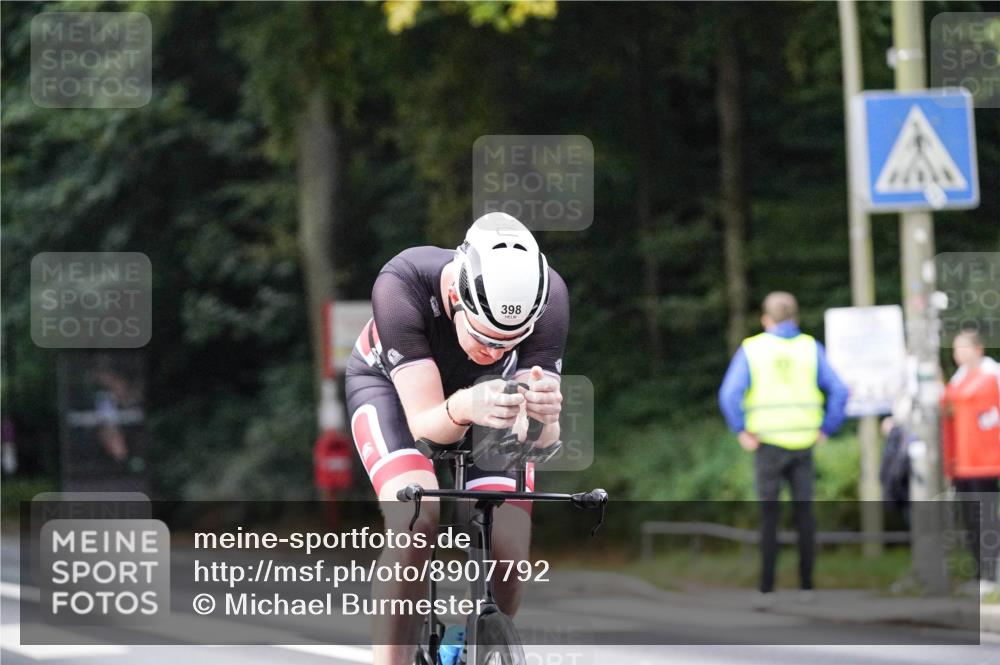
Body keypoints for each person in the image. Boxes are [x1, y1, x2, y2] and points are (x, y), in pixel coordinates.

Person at [345, 212, 568, 665]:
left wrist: (545, 418)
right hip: (393, 388)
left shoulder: (551, 296)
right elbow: (426, 422)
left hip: (492, 400)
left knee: (507, 547)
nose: (494, 352)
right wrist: (465, 406)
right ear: (454, 296)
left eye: (509, 343)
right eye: (484, 337)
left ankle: (474, 646)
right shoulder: (402, 283)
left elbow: (541, 439)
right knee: (416, 517)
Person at [718, 291, 848, 609]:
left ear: (766, 319)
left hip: (767, 444)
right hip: (804, 443)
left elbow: (729, 393)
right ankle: (807, 587)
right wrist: (826, 427)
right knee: (805, 516)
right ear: (795, 318)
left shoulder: (753, 348)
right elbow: (840, 390)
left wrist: (741, 429)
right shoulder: (810, 347)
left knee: (769, 517)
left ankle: (767, 589)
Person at [945, 329, 1000, 585]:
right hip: (963, 463)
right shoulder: (957, 382)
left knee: (986, 517)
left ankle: (992, 573)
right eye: (956, 349)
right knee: (971, 519)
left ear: (978, 349)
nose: (958, 354)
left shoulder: (993, 375)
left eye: (963, 348)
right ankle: (982, 574)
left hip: (987, 461)